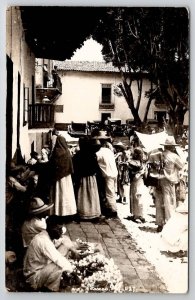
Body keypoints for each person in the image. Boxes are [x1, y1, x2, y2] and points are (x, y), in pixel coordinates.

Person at [23, 215, 76, 292]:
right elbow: (59, 259)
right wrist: (74, 275)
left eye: (61, 228)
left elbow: (64, 241)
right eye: (59, 229)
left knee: (64, 249)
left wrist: (73, 248)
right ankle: (51, 290)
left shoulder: (46, 235)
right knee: (59, 265)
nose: (61, 232)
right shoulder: (43, 240)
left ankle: (56, 279)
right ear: (51, 229)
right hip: (33, 278)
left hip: (41, 269)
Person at [72, 137, 102, 221]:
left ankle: (84, 213)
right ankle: (92, 213)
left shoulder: (78, 155)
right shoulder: (92, 154)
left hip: (82, 178)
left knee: (83, 195)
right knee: (92, 195)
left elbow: (75, 167)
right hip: (91, 178)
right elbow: (96, 167)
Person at [158, 136, 184, 229]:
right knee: (169, 200)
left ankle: (160, 222)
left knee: (160, 201)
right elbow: (181, 165)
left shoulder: (160, 154)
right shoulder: (174, 156)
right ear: (172, 147)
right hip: (169, 180)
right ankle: (169, 223)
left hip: (160, 179)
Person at [49, 135, 77, 219]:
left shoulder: (56, 152)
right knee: (66, 194)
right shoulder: (67, 151)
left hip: (58, 178)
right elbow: (70, 165)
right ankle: (67, 212)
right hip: (66, 177)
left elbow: (52, 165)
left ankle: (57, 212)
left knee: (58, 194)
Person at [94, 132, 118, 218]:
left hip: (108, 175)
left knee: (109, 193)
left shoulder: (99, 153)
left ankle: (113, 211)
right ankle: (110, 208)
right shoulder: (109, 151)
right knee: (111, 192)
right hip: (114, 173)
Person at [128, 147, 146, 223]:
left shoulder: (134, 162)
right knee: (137, 197)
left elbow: (132, 172)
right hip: (139, 181)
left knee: (137, 197)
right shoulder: (142, 162)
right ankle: (137, 215)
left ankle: (138, 215)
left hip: (136, 181)